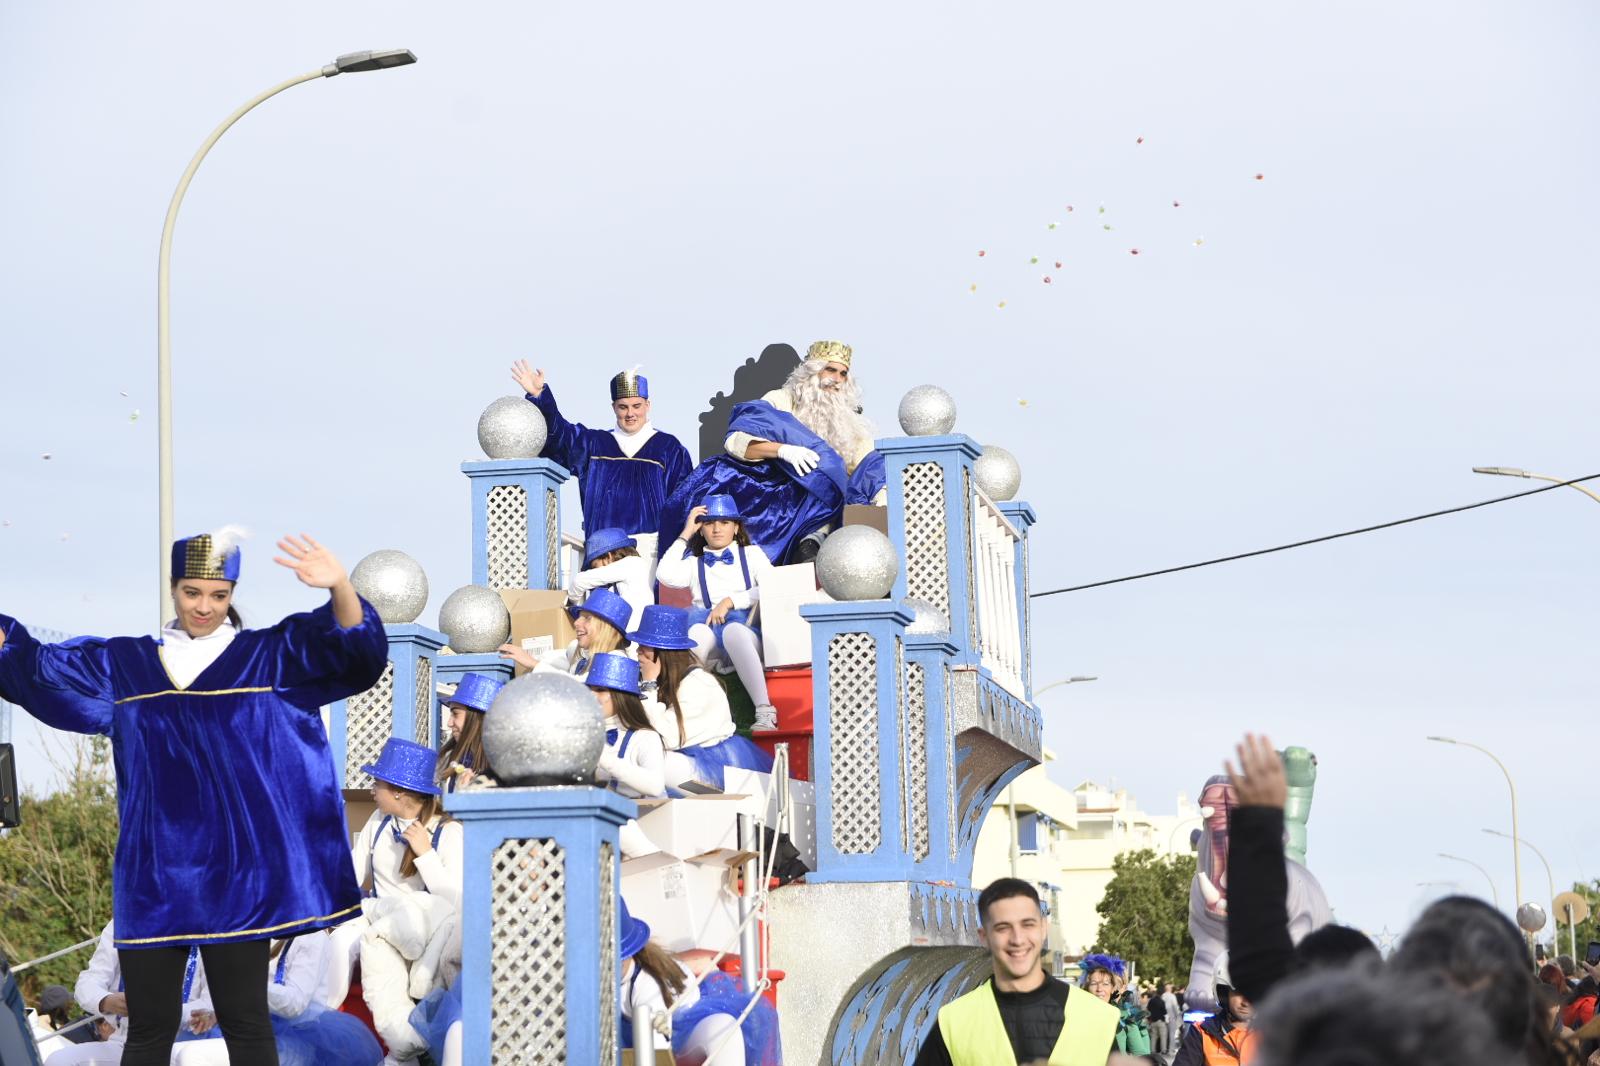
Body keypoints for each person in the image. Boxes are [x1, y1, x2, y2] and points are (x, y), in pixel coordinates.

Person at [0, 530, 386, 1066]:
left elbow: (353, 653)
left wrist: (340, 585)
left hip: (237, 873)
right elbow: (38, 669)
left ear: (232, 594)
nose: (204, 606)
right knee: (149, 1025)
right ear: (173, 589)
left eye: (218, 595)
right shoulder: (127, 666)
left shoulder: (267, 658)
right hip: (155, 871)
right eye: (192, 592)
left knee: (244, 1019)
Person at [659, 341, 884, 566]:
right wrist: (783, 450)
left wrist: (882, 499)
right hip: (780, 497)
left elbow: (870, 465)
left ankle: (815, 541)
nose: (836, 379)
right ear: (813, 371)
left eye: (843, 374)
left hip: (828, 507)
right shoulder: (781, 399)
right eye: (830, 370)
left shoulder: (849, 420)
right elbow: (736, 440)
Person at [914, 878, 1118, 1065]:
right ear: (984, 937)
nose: (1018, 939)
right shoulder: (954, 1022)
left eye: (1027, 924)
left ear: (1043, 929)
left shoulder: (1100, 1019)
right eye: (1003, 928)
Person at [511, 360, 692, 548]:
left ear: (648, 405)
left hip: (651, 553)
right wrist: (540, 396)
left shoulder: (669, 448)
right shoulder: (593, 445)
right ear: (614, 407)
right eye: (623, 407)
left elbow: (683, 504)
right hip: (604, 554)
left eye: (636, 406)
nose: (630, 413)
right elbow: (559, 436)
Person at [655, 496, 778, 731]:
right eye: (709, 523)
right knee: (697, 633)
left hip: (747, 635)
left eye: (724, 522)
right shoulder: (695, 563)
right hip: (712, 643)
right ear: (701, 530)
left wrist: (731, 601)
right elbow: (664, 574)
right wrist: (686, 532)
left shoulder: (751, 554)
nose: (717, 528)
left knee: (733, 631)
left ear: (736, 527)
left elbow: (773, 586)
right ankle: (681, 713)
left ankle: (765, 710)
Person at [169, 932, 382, 1066]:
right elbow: (214, 999)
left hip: (295, 1040)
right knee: (172, 1052)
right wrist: (212, 1014)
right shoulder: (245, 932)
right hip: (242, 1029)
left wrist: (249, 985)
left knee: (191, 1056)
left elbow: (295, 1005)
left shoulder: (311, 936)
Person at [618, 896, 781, 1065]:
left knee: (725, 1031)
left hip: (685, 1030)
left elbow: (656, 1055)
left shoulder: (648, 988)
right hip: (641, 1030)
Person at [630, 605, 772, 790]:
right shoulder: (663, 680)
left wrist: (649, 685)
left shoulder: (698, 684)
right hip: (688, 759)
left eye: (645, 646)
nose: (638, 651)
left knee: (651, 762)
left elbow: (663, 737)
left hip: (715, 773)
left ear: (664, 651)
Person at [43, 920, 216, 1066]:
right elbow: (87, 983)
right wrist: (107, 1001)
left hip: (182, 1046)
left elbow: (212, 1002)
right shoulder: (122, 923)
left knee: (190, 1058)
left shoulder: (208, 929)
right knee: (59, 1061)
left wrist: (165, 1013)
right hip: (126, 1042)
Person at [498, 586, 634, 682]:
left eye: (587, 618)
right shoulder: (577, 652)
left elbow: (583, 687)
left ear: (606, 628)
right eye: (579, 617)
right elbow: (553, 658)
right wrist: (527, 656)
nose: (576, 623)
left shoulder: (617, 659)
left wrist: (534, 664)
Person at [1171, 952, 1256, 1066]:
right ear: (1223, 993)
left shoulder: (1274, 1034)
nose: (1246, 1002)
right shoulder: (1202, 1032)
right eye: (1239, 992)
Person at [568, 527, 653, 631]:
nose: (595, 570)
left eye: (595, 566)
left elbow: (579, 581)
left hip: (631, 637)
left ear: (608, 556)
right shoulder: (626, 574)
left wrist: (572, 602)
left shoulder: (633, 564)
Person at [434, 672, 504, 793]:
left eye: (455, 714)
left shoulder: (505, 765)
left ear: (477, 718)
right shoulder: (449, 757)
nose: (449, 723)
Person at [1080, 955, 1152, 1057]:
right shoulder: (1078, 1013)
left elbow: (1141, 1055)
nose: (1100, 989)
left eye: (1106, 984)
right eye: (1094, 983)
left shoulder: (1125, 1017)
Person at [1144, 985, 1169, 1058]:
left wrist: (1149, 1018)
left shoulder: (1151, 1001)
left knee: (1153, 1037)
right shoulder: (1162, 1001)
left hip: (1153, 1021)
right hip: (1161, 1021)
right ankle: (1163, 1050)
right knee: (1163, 1036)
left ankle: (1152, 1050)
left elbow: (1148, 1009)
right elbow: (1164, 1012)